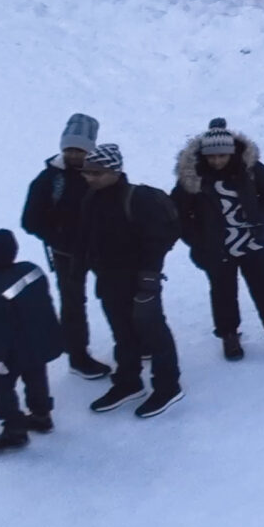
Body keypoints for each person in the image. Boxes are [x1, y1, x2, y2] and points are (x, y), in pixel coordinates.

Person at [171, 119, 264, 360]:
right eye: (212, 156)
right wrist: (197, 240)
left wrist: (262, 216)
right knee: (223, 292)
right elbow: (177, 212)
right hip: (216, 248)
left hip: (253, 242)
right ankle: (229, 336)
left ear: (231, 152)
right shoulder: (193, 177)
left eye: (222, 155)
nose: (217, 161)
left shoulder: (249, 168)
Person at [80, 144, 183, 417]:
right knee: (122, 334)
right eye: (86, 172)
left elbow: (156, 240)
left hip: (140, 281)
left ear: (114, 171)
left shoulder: (137, 199)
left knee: (154, 333)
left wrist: (148, 279)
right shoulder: (92, 198)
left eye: (96, 172)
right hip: (109, 280)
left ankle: (168, 386)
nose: (89, 177)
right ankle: (128, 383)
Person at [20, 112, 109, 380]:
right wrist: (58, 239)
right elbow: (30, 220)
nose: (74, 155)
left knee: (116, 294)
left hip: (100, 248)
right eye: (69, 148)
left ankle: (132, 343)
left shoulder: (99, 171)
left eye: (80, 149)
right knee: (73, 303)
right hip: (66, 254)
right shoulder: (49, 179)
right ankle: (78, 357)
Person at [0, 228, 61, 452]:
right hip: (39, 341)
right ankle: (41, 415)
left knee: (0, 385)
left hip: (13, 350)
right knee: (36, 375)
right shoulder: (32, 270)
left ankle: (14, 430)